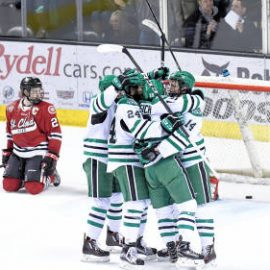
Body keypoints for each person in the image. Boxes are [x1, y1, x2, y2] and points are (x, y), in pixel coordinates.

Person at [81, 74, 124, 262]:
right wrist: (116, 87)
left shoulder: (117, 104)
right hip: (98, 158)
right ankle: (89, 244)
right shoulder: (98, 102)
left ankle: (113, 236)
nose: (122, 93)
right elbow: (106, 99)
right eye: (119, 90)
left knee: (117, 197)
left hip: (114, 158)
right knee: (102, 202)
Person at [2, 77, 62, 195]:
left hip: (37, 152)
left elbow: (56, 134)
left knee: (33, 188)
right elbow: (10, 134)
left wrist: (52, 155)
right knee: (9, 185)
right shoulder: (11, 108)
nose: (38, 93)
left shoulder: (46, 108)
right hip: (18, 152)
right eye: (34, 91)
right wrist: (9, 151)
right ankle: (26, 174)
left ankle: (51, 175)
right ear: (25, 92)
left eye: (39, 90)